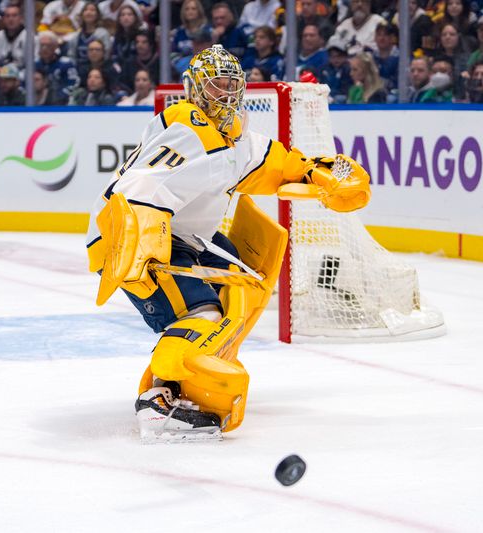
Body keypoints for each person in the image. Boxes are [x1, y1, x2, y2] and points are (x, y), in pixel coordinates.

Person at [85, 44, 370, 441]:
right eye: (216, 85)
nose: (225, 94)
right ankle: (157, 405)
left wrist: (315, 173)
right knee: (201, 316)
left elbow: (273, 164)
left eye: (231, 85)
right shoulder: (189, 129)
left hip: (186, 234)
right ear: (194, 89)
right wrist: (142, 244)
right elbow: (140, 186)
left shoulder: (235, 136)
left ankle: (183, 383)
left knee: (238, 282)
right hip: (134, 235)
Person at [35, 31, 79, 104]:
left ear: (55, 46)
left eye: (48, 45)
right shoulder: (34, 64)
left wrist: (59, 96)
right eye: (42, 45)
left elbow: (74, 84)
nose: (44, 48)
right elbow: (23, 84)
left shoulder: (66, 64)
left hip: (60, 105)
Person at [66, 1, 113, 69]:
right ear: (82, 14)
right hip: (79, 69)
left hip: (99, 69)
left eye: (92, 10)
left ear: (97, 14)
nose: (89, 12)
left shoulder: (103, 34)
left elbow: (107, 54)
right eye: (86, 10)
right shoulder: (76, 36)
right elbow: (72, 55)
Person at [0, 4, 27, 69]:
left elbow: (34, 64)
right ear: (3, 19)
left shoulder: (29, 38)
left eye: (14, 15)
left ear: (21, 18)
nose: (11, 19)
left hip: (23, 76)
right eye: (7, 16)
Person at [119, 29, 159, 94]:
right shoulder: (129, 63)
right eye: (137, 42)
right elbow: (122, 84)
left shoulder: (160, 63)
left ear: (151, 45)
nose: (139, 45)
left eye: (144, 42)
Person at [319, 36, 352, 102]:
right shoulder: (323, 70)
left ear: (345, 56)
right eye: (332, 56)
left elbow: (347, 90)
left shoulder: (349, 70)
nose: (336, 59)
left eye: (339, 56)